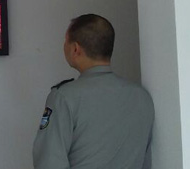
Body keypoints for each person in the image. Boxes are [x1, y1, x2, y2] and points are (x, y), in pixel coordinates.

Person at [32, 14, 154, 169]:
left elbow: (49, 163)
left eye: (65, 41)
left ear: (75, 49)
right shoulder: (141, 97)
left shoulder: (64, 98)